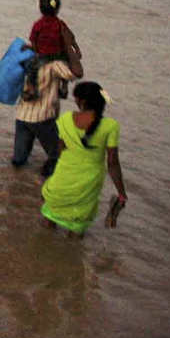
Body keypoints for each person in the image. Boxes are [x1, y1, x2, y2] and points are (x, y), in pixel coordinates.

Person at [41, 82, 127, 237]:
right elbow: (112, 163)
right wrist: (121, 193)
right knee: (76, 227)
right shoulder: (111, 126)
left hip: (62, 178)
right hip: (88, 184)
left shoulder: (65, 119)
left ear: (81, 101)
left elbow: (60, 151)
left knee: (49, 220)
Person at [12, 42, 83, 177]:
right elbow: (76, 73)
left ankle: (17, 184)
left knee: (19, 160)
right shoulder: (55, 65)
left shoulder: (28, 58)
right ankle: (46, 185)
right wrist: (69, 49)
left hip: (22, 115)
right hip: (42, 117)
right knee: (59, 156)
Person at [22, 0, 82, 101]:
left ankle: (31, 89)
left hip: (44, 57)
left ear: (40, 9)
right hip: (60, 55)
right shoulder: (60, 24)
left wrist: (32, 48)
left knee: (32, 68)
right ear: (57, 10)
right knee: (66, 65)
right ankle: (63, 88)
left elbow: (34, 42)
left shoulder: (38, 25)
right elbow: (70, 37)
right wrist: (76, 49)